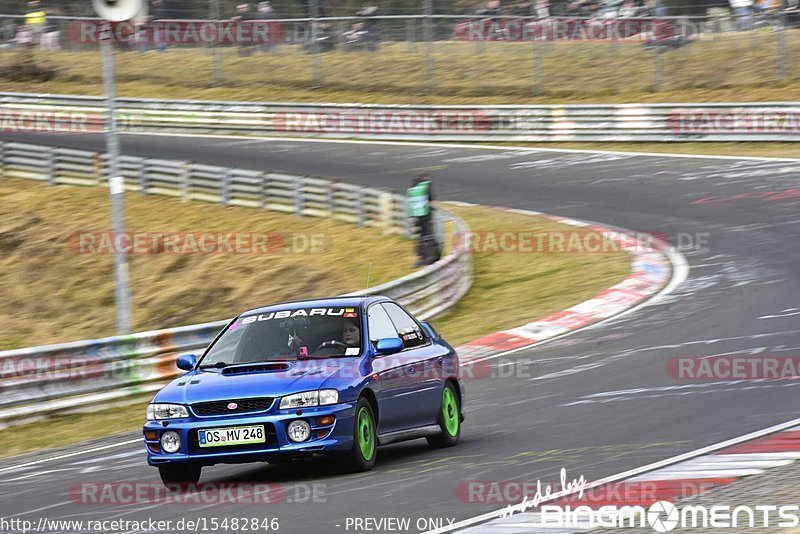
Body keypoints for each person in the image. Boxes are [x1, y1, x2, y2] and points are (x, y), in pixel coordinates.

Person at [407, 172, 441, 267]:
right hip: (425, 213)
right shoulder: (427, 185)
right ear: (426, 178)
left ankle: (422, 255)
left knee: (421, 234)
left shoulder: (412, 187)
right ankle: (431, 256)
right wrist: (435, 209)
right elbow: (433, 201)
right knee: (428, 233)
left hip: (415, 214)